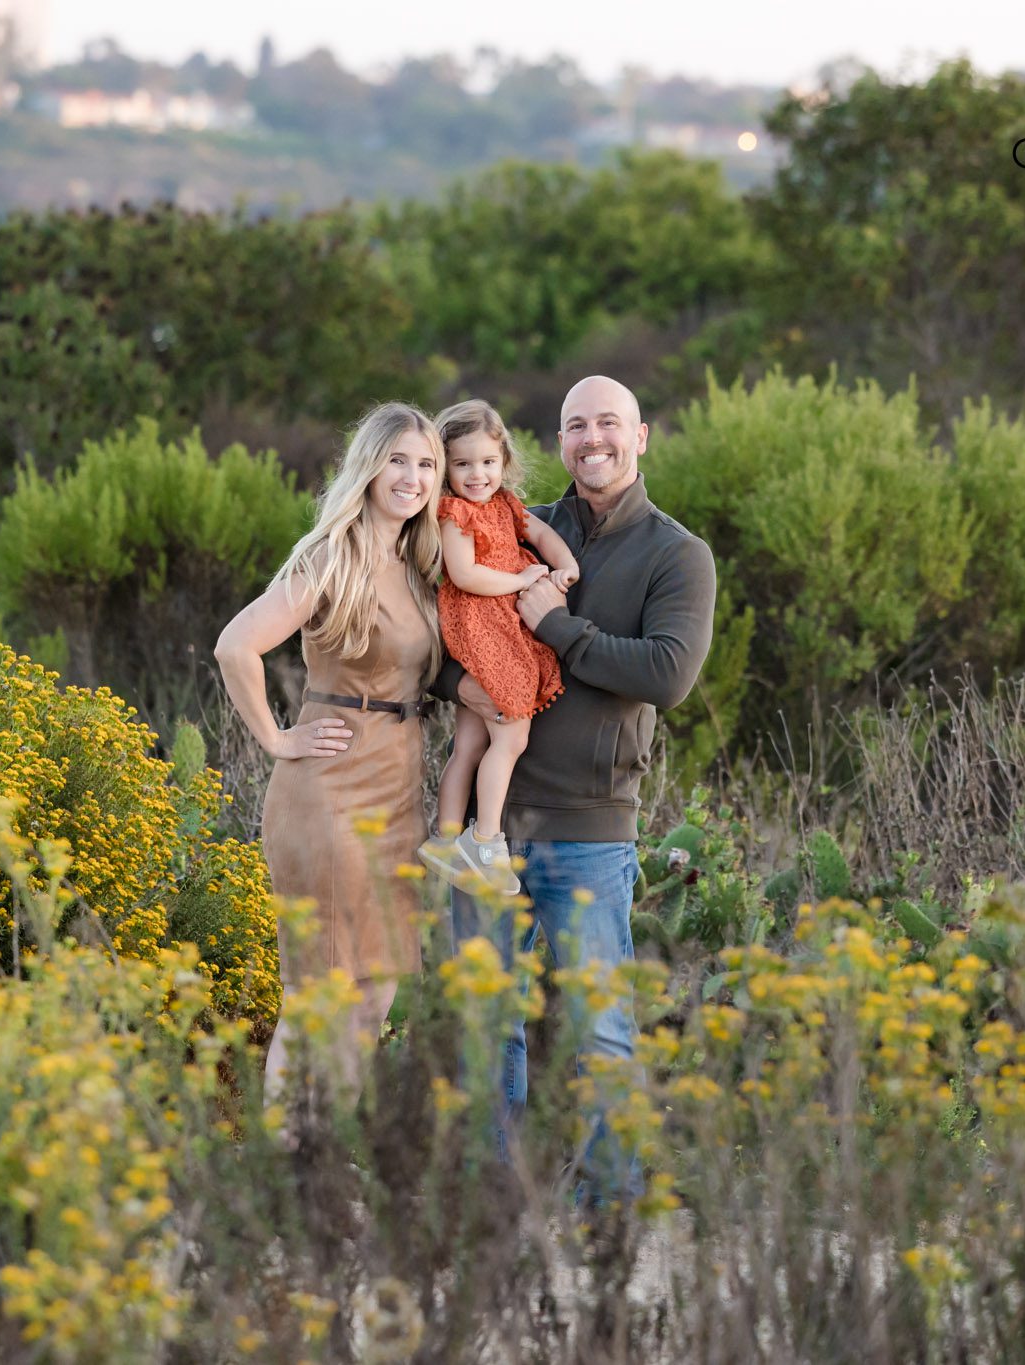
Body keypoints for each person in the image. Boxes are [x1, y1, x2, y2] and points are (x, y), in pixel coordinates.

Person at [436, 375, 717, 1197]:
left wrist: (553, 626)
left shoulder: (676, 553)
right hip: (488, 836)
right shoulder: (514, 523)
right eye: (575, 426)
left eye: (608, 424)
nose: (592, 439)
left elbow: (666, 674)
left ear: (640, 436)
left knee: (601, 1033)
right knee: (485, 1030)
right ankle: (491, 1207)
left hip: (590, 833)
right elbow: (448, 630)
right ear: (558, 443)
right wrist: (464, 687)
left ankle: (611, 1220)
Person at [214, 402, 444, 1095]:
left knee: (377, 988)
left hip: (398, 789)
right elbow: (235, 645)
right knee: (320, 992)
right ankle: (288, 1170)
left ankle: (333, 1151)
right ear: (369, 467)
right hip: (330, 788)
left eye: (426, 464)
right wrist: (278, 738)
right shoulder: (330, 558)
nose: (412, 476)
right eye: (398, 460)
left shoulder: (419, 566)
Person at [417, 399, 579, 898]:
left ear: (503, 460)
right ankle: (485, 841)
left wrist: (565, 564)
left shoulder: (506, 504)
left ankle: (445, 840)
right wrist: (522, 577)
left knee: (470, 743)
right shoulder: (453, 511)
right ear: (446, 468)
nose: (477, 474)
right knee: (511, 738)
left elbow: (542, 532)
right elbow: (463, 574)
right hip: (483, 627)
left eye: (487, 462)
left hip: (500, 627)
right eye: (462, 464)